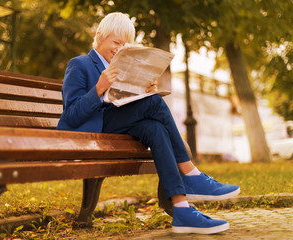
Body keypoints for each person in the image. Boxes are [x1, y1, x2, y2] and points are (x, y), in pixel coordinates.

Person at [57, 12, 240, 234]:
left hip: (119, 128)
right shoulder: (80, 64)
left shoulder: (122, 67)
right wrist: (99, 88)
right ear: (99, 36)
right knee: (154, 103)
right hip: (94, 132)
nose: (119, 48)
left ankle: (181, 209)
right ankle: (191, 174)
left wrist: (141, 90)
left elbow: (124, 103)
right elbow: (71, 116)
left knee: (155, 128)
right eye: (116, 42)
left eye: (125, 45)